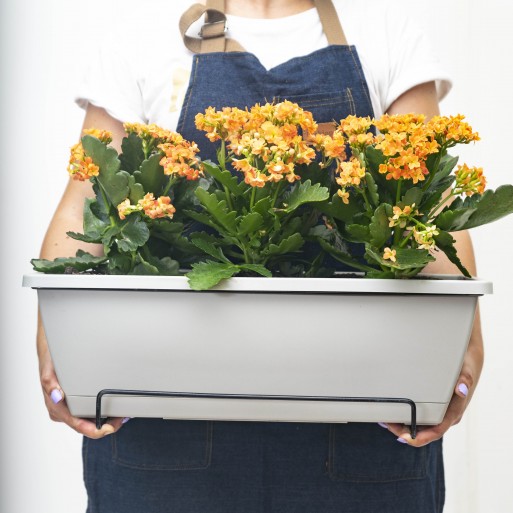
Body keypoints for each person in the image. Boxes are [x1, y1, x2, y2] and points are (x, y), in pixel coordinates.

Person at [37, 0, 483, 511]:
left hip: (367, 438)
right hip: (164, 443)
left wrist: (464, 348)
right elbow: (84, 203)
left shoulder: (385, 29)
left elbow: (429, 206)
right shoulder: (141, 37)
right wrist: (53, 339)